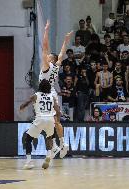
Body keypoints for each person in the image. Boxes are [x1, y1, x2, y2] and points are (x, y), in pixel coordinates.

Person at [39, 20, 72, 158]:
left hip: (45, 94)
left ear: (50, 59)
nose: (46, 56)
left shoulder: (47, 66)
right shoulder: (56, 65)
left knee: (43, 121)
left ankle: (55, 145)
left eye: (48, 56)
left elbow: (45, 45)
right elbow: (62, 53)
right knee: (55, 120)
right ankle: (62, 143)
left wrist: (46, 30)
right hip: (52, 93)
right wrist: (66, 40)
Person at [19, 79, 61, 169]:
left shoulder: (36, 95)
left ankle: (29, 161)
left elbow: (26, 103)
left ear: (40, 87)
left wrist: (22, 107)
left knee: (28, 139)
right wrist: (57, 121)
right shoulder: (52, 96)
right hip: (50, 119)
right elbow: (58, 111)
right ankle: (49, 155)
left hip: (40, 118)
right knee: (49, 137)